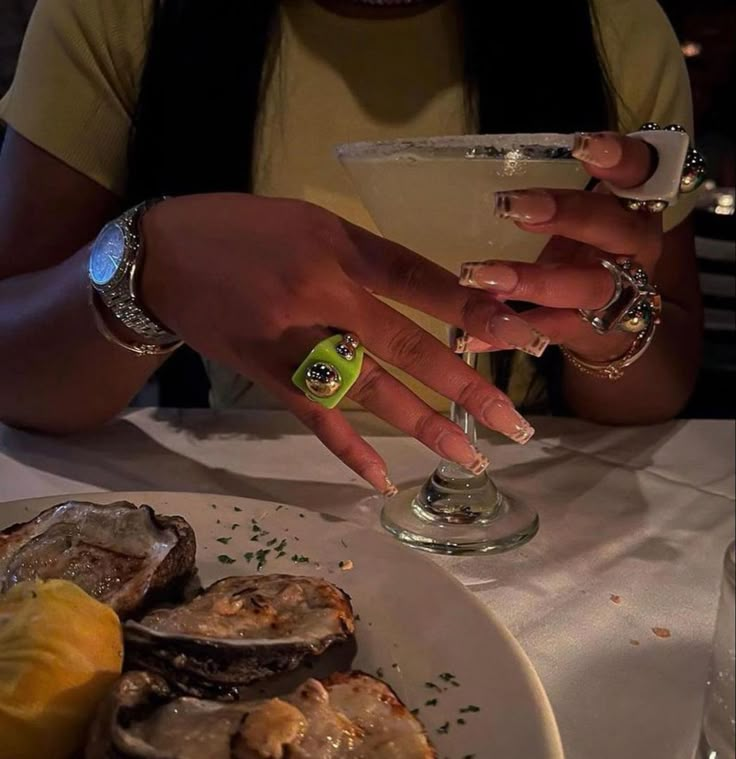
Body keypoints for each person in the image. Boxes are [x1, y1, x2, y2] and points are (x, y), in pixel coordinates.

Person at [0, 0, 703, 494]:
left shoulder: (613, 24)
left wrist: (610, 322)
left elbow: (659, 388)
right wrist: (148, 264)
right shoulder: (120, 14)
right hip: (239, 508)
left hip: (552, 520)